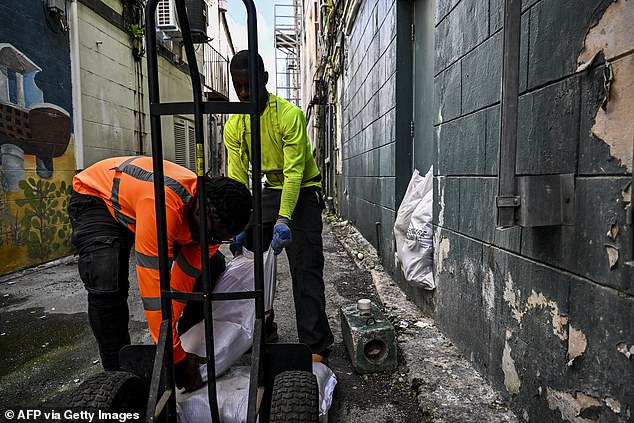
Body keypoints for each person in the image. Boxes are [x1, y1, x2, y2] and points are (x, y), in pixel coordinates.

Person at [68, 156, 252, 392]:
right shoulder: (163, 205)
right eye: (212, 235)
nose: (212, 242)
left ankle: (190, 343)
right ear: (200, 211)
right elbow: (156, 293)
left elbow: (179, 287)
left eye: (218, 239)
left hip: (141, 205)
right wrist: (174, 357)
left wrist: (175, 348)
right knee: (107, 279)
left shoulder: (211, 223)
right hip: (97, 198)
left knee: (210, 267)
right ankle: (118, 378)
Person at [224, 50, 334, 362]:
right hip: (270, 188)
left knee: (305, 265)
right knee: (250, 256)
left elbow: (295, 172)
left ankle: (315, 346)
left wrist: (284, 218)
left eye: (249, 86)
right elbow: (237, 175)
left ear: (265, 81)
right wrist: (239, 223)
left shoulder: (288, 115)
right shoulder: (234, 126)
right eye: (238, 86)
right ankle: (264, 327)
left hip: (303, 188)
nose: (243, 93)